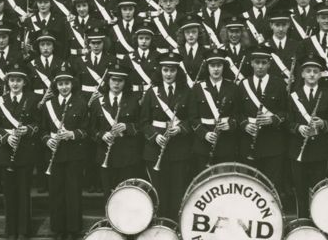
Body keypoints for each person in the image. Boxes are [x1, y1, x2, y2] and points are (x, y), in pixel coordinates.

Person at [41, 66, 89, 240]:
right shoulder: (48, 104)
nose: (64, 87)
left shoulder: (81, 103)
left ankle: (72, 230)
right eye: (60, 84)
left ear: (72, 84)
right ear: (56, 86)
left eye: (67, 83)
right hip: (54, 154)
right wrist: (47, 140)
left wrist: (73, 134)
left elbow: (87, 130)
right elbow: (42, 129)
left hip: (74, 155)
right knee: (56, 192)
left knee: (73, 192)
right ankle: (58, 230)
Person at [0, 64, 38, 240]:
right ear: (7, 82)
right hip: (5, 152)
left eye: (19, 80)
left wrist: (28, 129)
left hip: (25, 151)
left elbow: (38, 124)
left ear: (24, 82)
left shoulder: (32, 99)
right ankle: (10, 231)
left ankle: (23, 231)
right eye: (12, 80)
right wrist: (5, 138)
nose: (15, 84)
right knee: (9, 194)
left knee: (23, 193)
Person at [142, 55, 192, 218]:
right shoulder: (152, 92)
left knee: (177, 189)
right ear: (160, 71)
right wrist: (155, 137)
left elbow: (192, 119)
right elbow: (143, 122)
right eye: (165, 70)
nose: (169, 74)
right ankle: (159, 224)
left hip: (179, 148)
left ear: (177, 71)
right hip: (156, 147)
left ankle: (174, 225)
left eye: (172, 70)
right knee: (158, 189)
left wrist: (180, 129)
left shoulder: (186, 92)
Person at [287, 58, 328, 220]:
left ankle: (318, 223)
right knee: (300, 191)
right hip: (297, 149)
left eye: (315, 71)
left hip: (319, 150)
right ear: (302, 74)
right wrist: (298, 128)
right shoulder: (293, 96)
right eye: (308, 71)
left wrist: (323, 123)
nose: (312, 74)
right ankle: (302, 222)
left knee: (319, 190)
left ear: (320, 74)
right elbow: (286, 121)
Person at [238, 46, 289, 197]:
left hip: (273, 144)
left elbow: (287, 112)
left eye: (264, 62)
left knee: (271, 187)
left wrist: (272, 119)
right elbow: (237, 113)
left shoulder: (279, 84)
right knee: (250, 187)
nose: (260, 66)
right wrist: (245, 125)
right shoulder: (243, 84)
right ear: (251, 63)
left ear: (269, 64)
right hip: (249, 143)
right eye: (257, 62)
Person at [90, 63, 142, 195]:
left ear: (125, 82)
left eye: (120, 80)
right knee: (108, 192)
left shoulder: (134, 100)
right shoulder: (98, 102)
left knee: (125, 192)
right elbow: (90, 128)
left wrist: (127, 127)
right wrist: (101, 135)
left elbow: (142, 125)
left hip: (127, 156)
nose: (116, 83)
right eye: (113, 79)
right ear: (108, 80)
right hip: (105, 154)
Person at [189, 52, 241, 168]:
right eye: (212, 66)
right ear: (207, 68)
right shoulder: (198, 88)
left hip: (227, 143)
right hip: (203, 144)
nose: (216, 69)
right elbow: (192, 117)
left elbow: (238, 113)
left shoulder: (233, 87)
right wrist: (204, 133)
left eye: (219, 65)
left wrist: (231, 124)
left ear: (224, 67)